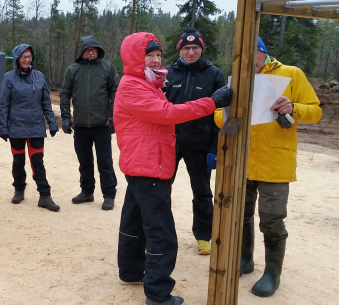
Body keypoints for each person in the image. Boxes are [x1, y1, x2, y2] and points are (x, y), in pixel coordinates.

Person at [114, 32, 232, 305]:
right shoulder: (133, 86)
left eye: (158, 55)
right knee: (161, 232)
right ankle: (157, 294)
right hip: (148, 166)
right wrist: (213, 102)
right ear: (136, 58)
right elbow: (168, 113)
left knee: (134, 221)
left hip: (142, 163)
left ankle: (131, 270)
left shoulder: (147, 83)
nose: (156, 60)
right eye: (149, 55)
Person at [224, 37, 322, 297]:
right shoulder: (237, 78)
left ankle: (272, 274)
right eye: (241, 55)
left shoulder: (291, 74)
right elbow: (219, 117)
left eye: (251, 54)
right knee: (241, 214)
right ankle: (245, 260)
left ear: (262, 52)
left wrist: (293, 107)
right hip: (242, 161)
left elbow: (315, 111)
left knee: (272, 219)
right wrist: (222, 108)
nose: (247, 61)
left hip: (275, 163)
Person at [164, 27, 226, 255]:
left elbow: (222, 114)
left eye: (195, 48)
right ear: (179, 49)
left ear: (201, 49)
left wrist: (214, 146)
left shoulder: (213, 74)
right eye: (186, 48)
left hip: (200, 143)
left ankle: (203, 235)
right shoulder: (168, 73)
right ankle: (162, 231)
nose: (191, 52)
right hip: (171, 141)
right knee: (162, 188)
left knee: (202, 191)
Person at [0, 44, 60, 212]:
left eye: (29, 56)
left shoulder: (39, 76)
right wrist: (2, 127)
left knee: (37, 162)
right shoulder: (9, 78)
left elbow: (46, 102)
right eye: (23, 57)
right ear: (17, 59)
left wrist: (52, 123)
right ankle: (19, 190)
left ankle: (45, 196)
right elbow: (4, 104)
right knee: (18, 161)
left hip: (36, 128)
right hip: (16, 128)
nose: (27, 60)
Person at [60, 36, 119, 210]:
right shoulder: (73, 69)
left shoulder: (107, 68)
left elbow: (116, 91)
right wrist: (65, 116)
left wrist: (114, 116)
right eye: (87, 49)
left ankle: (109, 194)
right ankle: (87, 191)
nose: (91, 52)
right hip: (80, 125)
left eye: (94, 49)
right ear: (82, 52)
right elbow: (65, 93)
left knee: (105, 162)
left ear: (98, 51)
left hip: (102, 124)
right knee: (84, 161)